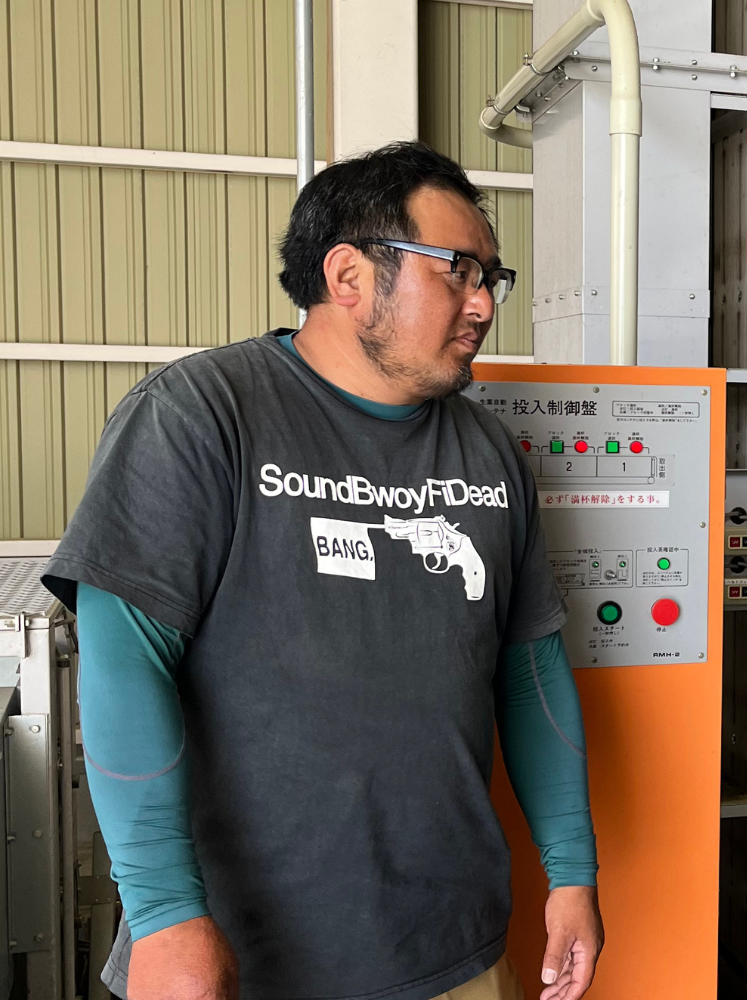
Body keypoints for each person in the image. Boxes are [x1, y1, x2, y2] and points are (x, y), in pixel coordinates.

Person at [43, 141, 602, 1000]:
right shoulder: (200, 416)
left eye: (492, 276)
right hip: (239, 955)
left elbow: (530, 674)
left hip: (451, 949)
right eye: (456, 271)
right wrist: (162, 916)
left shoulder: (488, 453)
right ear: (348, 276)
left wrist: (571, 873)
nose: (484, 303)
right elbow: (125, 667)